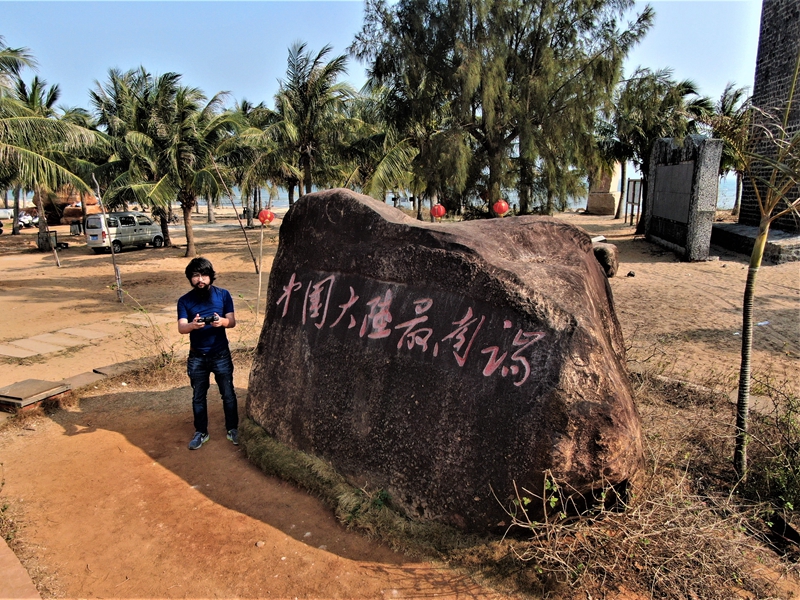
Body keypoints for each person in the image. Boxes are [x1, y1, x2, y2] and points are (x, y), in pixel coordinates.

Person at [177, 257, 239, 450]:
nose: (200, 279)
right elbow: (181, 327)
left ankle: (232, 429)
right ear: (190, 278)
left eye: (204, 275)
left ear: (211, 276)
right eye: (196, 276)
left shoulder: (223, 295)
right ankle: (201, 432)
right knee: (198, 396)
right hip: (197, 357)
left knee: (228, 394)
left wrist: (222, 322)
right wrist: (192, 325)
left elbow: (232, 321)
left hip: (220, 353)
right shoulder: (184, 301)